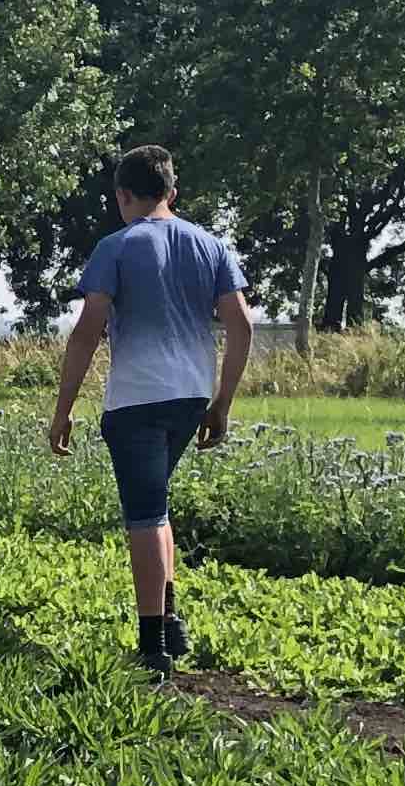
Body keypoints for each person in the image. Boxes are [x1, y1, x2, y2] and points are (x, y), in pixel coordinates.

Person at [45, 144, 253, 668]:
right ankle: (172, 620)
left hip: (136, 399)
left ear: (122, 195)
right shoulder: (212, 245)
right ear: (172, 192)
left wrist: (63, 407)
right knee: (157, 506)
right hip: (191, 396)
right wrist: (222, 403)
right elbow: (242, 325)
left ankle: (151, 643)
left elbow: (87, 332)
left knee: (143, 516)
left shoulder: (115, 247)